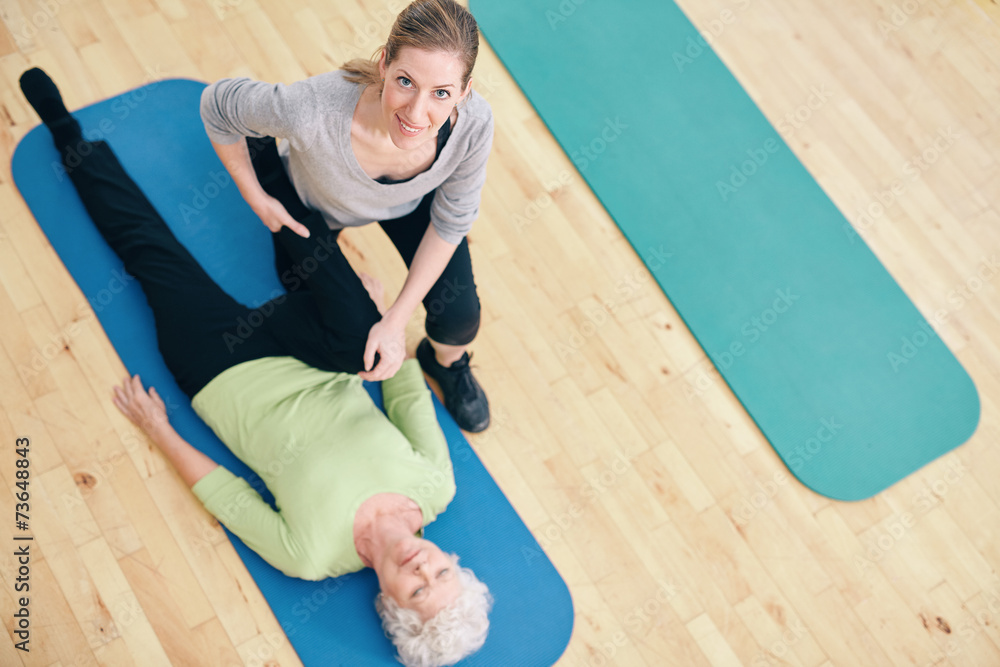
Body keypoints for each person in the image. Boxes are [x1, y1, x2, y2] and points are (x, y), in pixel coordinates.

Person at [19, 67, 491, 667]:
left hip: (221, 368)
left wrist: (158, 429)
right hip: (307, 352)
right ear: (452, 560)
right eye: (442, 573)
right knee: (361, 334)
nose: (424, 568)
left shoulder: (312, 556)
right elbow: (404, 395)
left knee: (145, 252)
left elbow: (229, 498)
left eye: (417, 591)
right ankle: (268, 151)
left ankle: (66, 133)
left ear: (390, 603)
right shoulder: (435, 487)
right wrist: (381, 318)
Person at [200, 0, 495, 433]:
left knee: (459, 317)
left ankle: (446, 363)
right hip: (313, 202)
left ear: (463, 93)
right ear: (383, 64)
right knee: (355, 343)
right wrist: (256, 196)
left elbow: (452, 222)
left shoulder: (473, 124)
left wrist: (394, 320)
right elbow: (216, 104)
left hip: (407, 201)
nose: (416, 114)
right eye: (406, 81)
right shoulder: (312, 109)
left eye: (441, 94)